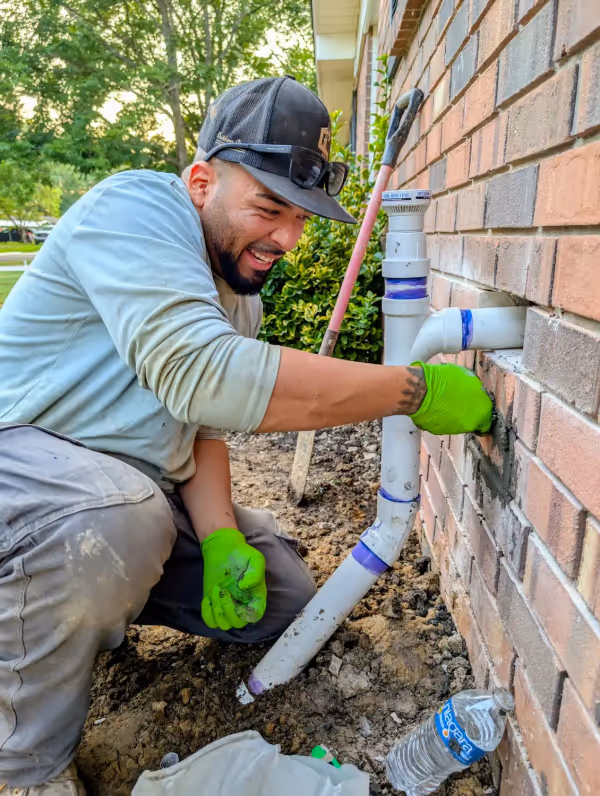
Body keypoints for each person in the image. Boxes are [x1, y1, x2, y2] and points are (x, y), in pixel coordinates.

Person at [0, 76, 492, 795]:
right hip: (25, 473)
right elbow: (205, 376)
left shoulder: (234, 298)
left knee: (285, 601)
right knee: (116, 523)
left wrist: (223, 536)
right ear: (202, 180)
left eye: (300, 217)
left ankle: (75, 617)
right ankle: (22, 766)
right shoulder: (135, 208)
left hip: (118, 500)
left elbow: (196, 429)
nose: (287, 239)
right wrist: (409, 391)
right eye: (268, 207)